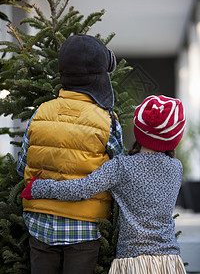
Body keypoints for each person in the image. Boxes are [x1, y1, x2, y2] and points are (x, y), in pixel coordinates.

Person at [22, 95, 187, 274]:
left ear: (139, 129)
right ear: (174, 137)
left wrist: (38, 187)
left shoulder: (121, 166)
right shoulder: (176, 168)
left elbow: (82, 188)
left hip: (132, 263)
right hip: (169, 261)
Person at [17, 34, 123, 274]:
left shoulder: (40, 113)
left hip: (39, 222)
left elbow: (21, 164)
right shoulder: (107, 121)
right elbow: (119, 170)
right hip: (84, 227)